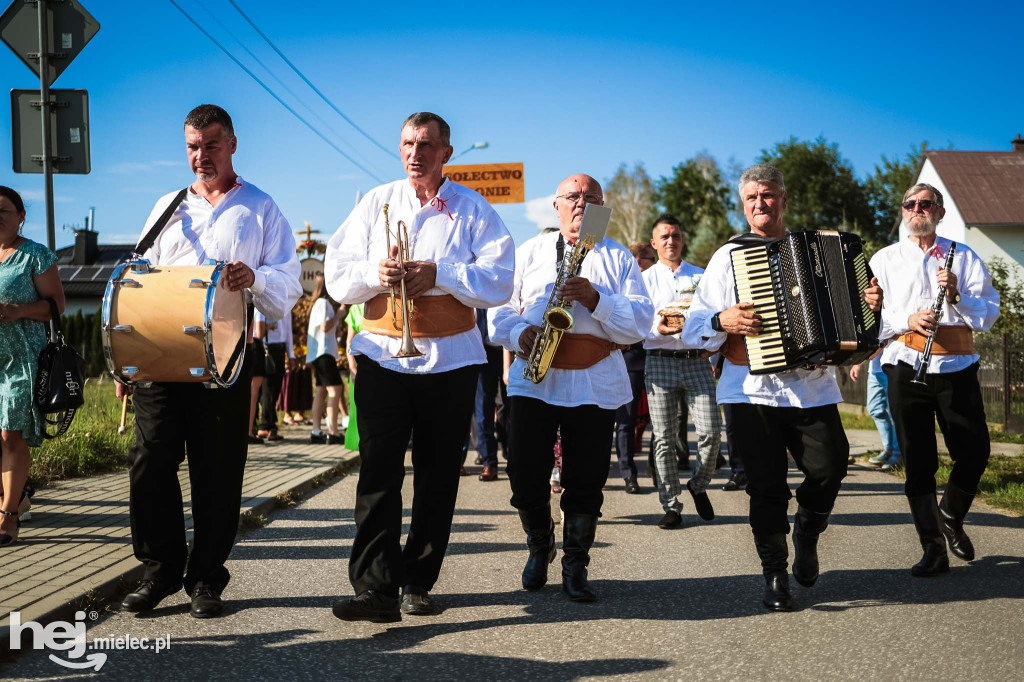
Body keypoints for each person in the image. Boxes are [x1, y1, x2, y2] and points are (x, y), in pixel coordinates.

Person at [326, 112, 514, 622]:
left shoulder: (474, 208)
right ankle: (375, 590)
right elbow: (337, 278)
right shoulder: (375, 201)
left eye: (427, 145)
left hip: (451, 361)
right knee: (378, 474)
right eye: (408, 143)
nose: (416, 153)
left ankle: (418, 580)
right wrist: (374, 272)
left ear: (446, 153)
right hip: (384, 357)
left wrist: (440, 272)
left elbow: (499, 282)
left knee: (437, 477)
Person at [117, 105, 301, 617]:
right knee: (149, 464)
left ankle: (205, 580)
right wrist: (129, 358)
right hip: (161, 359)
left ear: (233, 144)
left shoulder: (261, 208)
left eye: (211, 145)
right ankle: (158, 572)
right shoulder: (166, 207)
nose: (201, 157)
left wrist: (255, 279)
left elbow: (286, 287)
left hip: (226, 359)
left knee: (217, 472)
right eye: (193, 147)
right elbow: (137, 283)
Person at [682, 164, 882, 611]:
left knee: (831, 466)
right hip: (749, 390)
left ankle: (808, 531)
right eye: (751, 197)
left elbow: (858, 320)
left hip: (811, 387)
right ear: (743, 204)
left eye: (768, 195)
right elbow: (694, 326)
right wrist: (721, 320)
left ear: (784, 199)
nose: (759, 204)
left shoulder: (821, 250)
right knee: (765, 486)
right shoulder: (729, 256)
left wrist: (871, 306)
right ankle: (774, 572)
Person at [491, 173, 653, 602]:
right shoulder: (530, 251)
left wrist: (597, 299)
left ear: (602, 206)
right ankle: (539, 544)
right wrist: (518, 335)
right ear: (557, 206)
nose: (582, 203)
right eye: (573, 196)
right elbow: (499, 312)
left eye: (591, 197)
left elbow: (639, 323)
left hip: (594, 378)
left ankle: (576, 565)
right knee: (524, 473)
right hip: (534, 376)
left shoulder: (617, 258)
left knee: (586, 478)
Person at [868, 183, 999, 577]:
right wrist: (905, 320)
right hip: (905, 365)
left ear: (939, 213)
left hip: (956, 366)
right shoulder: (885, 259)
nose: (917, 209)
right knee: (918, 463)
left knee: (975, 451)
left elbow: (990, 314)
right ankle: (933, 549)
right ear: (903, 211)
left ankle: (950, 514)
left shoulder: (964, 255)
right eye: (910, 203)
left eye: (926, 204)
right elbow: (869, 320)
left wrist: (957, 296)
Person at [642, 214, 721, 529]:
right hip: (659, 360)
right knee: (663, 438)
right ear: (654, 243)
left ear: (682, 239)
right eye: (664, 237)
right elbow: (635, 322)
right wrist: (656, 328)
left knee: (712, 431)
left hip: (696, 360)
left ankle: (698, 483)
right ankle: (671, 505)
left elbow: (715, 316)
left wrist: (713, 346)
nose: (670, 241)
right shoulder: (645, 279)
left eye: (675, 235)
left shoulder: (702, 277)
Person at [0, 186, 65, 547]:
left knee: (11, 434)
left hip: (20, 358)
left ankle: (8, 516)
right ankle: (18, 497)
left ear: (21, 215)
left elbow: (57, 305)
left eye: (3, 210)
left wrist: (19, 311)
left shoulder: (35, 255)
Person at [614, 242, 656, 494]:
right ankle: (628, 473)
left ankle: (656, 466)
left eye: (647, 259)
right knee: (626, 420)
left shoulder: (657, 280)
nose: (644, 263)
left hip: (657, 354)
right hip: (630, 358)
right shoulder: (622, 282)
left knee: (661, 419)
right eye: (649, 258)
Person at [306, 273, 344, 444]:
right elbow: (324, 326)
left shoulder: (318, 304)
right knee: (335, 390)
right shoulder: (323, 303)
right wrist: (339, 315)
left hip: (319, 352)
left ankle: (316, 431)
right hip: (324, 353)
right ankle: (333, 431)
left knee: (321, 391)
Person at [850, 357, 902, 470]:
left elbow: (880, 343)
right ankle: (888, 450)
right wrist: (857, 363)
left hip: (892, 366)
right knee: (874, 408)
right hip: (875, 370)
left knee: (896, 412)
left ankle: (898, 453)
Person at [474, 308, 505, 481]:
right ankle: (489, 462)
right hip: (484, 352)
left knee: (509, 407)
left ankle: (511, 452)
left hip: (512, 349)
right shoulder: (484, 281)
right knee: (483, 409)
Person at [254, 308, 293, 440]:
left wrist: (290, 353)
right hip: (267, 348)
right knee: (267, 389)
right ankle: (265, 425)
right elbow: (258, 331)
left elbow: (288, 329)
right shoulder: (263, 304)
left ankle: (269, 423)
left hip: (279, 347)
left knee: (275, 388)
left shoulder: (287, 302)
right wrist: (268, 327)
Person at [343, 303, 363, 452]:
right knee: (357, 408)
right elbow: (349, 341)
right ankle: (358, 444)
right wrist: (352, 367)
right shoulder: (356, 308)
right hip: (359, 366)